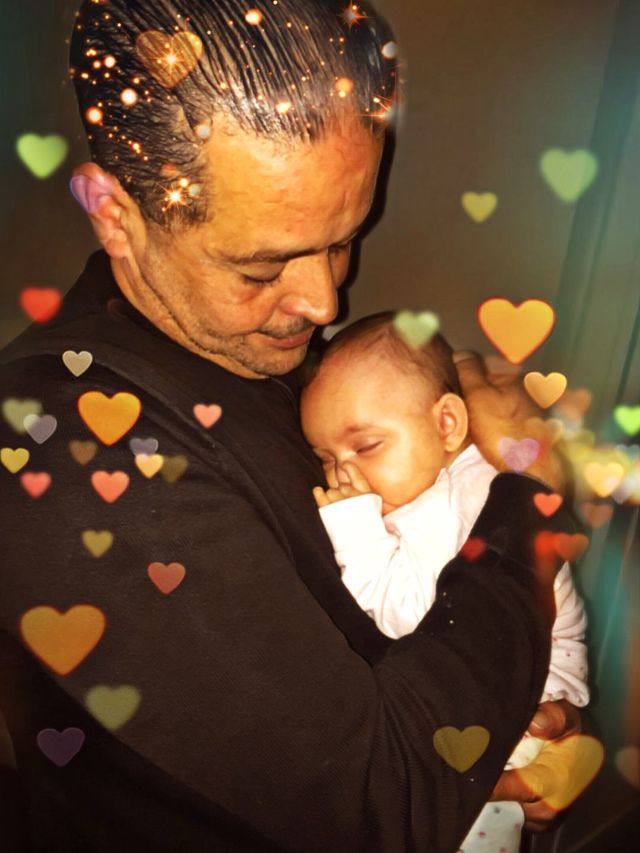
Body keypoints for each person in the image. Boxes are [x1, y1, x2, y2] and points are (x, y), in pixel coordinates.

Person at [0, 1, 582, 850]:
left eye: (343, 240)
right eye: (262, 266)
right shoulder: (65, 453)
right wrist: (532, 500)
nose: (323, 301)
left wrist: (519, 713)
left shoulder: (268, 353)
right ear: (114, 214)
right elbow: (381, 808)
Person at [300, 313, 590, 853]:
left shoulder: (455, 504)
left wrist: (354, 528)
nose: (344, 474)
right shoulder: (452, 479)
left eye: (367, 446)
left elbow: (420, 620)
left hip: (516, 714)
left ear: (448, 424)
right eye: (326, 458)